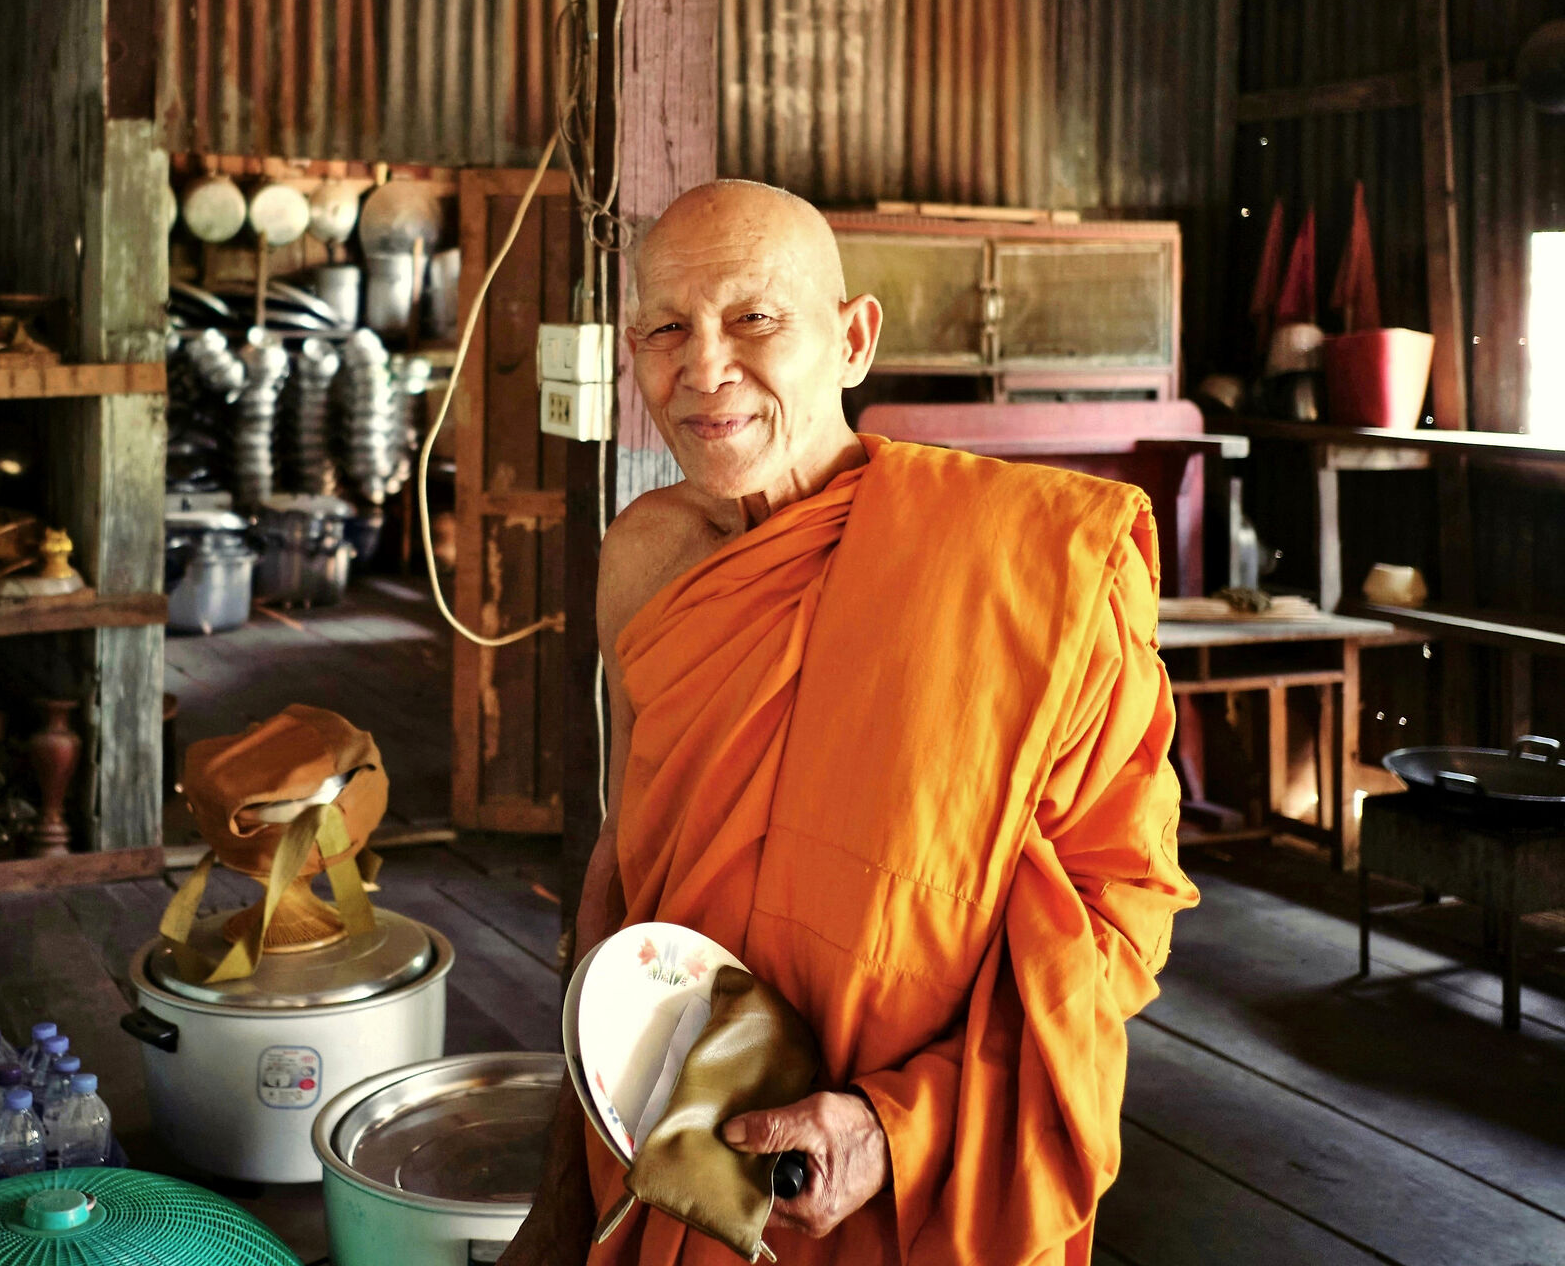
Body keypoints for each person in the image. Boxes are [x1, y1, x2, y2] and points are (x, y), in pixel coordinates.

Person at [500, 181, 1198, 1266]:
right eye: (666, 329)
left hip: (907, 1176)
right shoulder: (644, 557)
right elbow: (628, 853)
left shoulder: (1030, 565)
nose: (704, 368)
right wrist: (562, 1189)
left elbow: (1120, 912)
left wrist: (891, 1126)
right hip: (676, 1134)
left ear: (854, 339)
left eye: (754, 318)